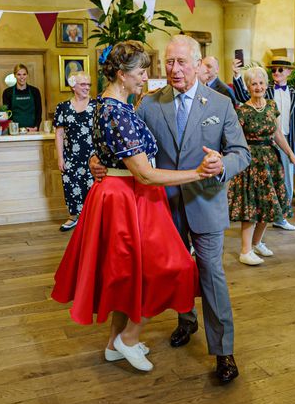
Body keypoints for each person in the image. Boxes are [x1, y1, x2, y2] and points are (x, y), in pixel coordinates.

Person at [52, 42, 221, 373]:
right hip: (129, 196)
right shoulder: (117, 112)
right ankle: (128, 338)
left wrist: (97, 160)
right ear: (121, 74)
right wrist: (197, 173)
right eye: (141, 72)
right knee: (173, 268)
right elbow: (144, 172)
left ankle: (114, 344)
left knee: (125, 274)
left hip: (120, 195)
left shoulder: (106, 106)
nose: (146, 77)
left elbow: (107, 151)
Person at [92, 35, 251, 383]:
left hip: (206, 204)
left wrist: (222, 163)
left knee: (211, 276)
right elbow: (123, 142)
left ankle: (224, 352)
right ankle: (186, 321)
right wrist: (97, 160)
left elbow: (243, 152)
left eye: (181, 62)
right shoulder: (148, 103)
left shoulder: (221, 104)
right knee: (170, 271)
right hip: (160, 208)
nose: (174, 69)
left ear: (198, 64)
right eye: (169, 62)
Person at [228, 66, 295, 266]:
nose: (258, 86)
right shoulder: (242, 111)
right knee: (251, 206)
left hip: (271, 160)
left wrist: (291, 154)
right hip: (251, 162)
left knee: (269, 205)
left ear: (266, 85)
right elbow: (237, 140)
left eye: (261, 83)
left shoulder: (271, 105)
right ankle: (245, 251)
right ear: (248, 87)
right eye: (254, 83)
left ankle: (257, 243)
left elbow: (277, 134)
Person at [53, 71, 94, 232]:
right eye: (83, 84)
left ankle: (92, 219)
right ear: (73, 85)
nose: (87, 87)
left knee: (93, 188)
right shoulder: (62, 107)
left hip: (93, 157)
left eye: (88, 84)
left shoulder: (96, 105)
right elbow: (59, 134)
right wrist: (60, 157)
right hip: (71, 156)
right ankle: (74, 217)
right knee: (72, 187)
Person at [2, 64, 42, 131]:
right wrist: (12, 127)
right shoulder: (8, 92)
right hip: (15, 130)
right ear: (14, 75)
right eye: (19, 74)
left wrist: (36, 126)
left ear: (27, 75)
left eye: (24, 74)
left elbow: (39, 111)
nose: (22, 77)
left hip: (32, 130)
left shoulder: (35, 91)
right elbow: (7, 113)